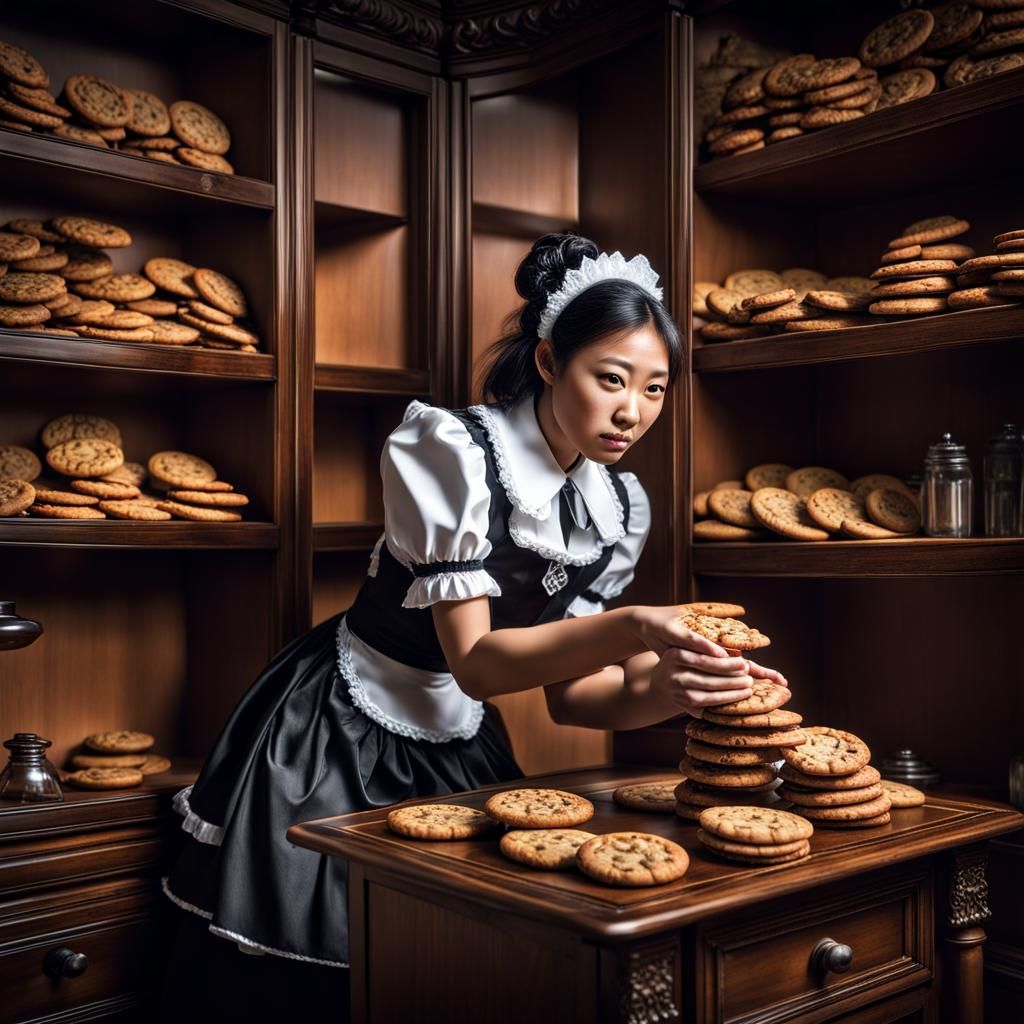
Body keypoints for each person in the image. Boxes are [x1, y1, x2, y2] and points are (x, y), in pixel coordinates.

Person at [157, 232, 787, 1018]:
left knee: (451, 963)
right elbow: (479, 665)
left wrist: (676, 690)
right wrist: (636, 628)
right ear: (550, 362)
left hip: (459, 734)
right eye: (611, 378)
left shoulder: (618, 506)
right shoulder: (449, 449)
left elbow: (575, 696)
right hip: (338, 726)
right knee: (322, 975)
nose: (633, 410)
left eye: (655, 389)